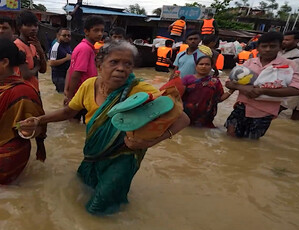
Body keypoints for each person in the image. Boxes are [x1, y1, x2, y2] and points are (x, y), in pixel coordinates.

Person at [18, 40, 190, 215]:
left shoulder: (141, 90)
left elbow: (182, 118)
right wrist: (39, 120)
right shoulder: (89, 85)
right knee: (83, 187)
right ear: (99, 65)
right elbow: (68, 112)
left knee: (99, 207)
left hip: (124, 156)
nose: (122, 68)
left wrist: (150, 143)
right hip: (94, 152)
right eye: (114, 62)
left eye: (128, 64)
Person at [0, 38, 46, 187]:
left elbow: (39, 123)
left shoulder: (22, 91)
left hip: (7, 154)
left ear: (4, 62)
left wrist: (31, 131)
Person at [225, 32, 299, 140]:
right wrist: (244, 88)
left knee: (250, 142)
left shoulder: (289, 65)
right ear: (258, 48)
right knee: (230, 136)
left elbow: (297, 89)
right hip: (241, 107)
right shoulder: (250, 63)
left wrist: (263, 91)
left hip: (264, 113)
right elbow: (229, 83)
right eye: (264, 46)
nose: (267, 49)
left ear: (280, 47)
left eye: (272, 46)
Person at [64, 16, 104, 123]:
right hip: (81, 95)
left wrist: (67, 91)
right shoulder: (85, 49)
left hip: (81, 94)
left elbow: (69, 70)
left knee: (75, 125)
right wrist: (70, 96)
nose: (100, 34)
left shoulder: (85, 47)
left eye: (102, 30)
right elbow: (76, 74)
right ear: (86, 31)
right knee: (80, 124)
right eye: (96, 30)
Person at [182, 55, 233, 128]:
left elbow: (219, 98)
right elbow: (178, 95)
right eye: (201, 64)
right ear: (196, 66)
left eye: (207, 64)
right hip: (186, 116)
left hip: (206, 119)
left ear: (211, 67)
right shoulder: (187, 79)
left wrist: (232, 90)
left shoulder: (215, 81)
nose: (204, 66)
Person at [14, 10, 47, 92]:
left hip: (33, 89)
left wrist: (40, 51)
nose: (33, 29)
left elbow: (43, 70)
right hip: (21, 92)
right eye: (29, 25)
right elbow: (26, 75)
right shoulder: (17, 46)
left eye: (35, 26)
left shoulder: (33, 45)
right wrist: (37, 66)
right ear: (19, 28)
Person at [49, 28, 72, 93]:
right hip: (59, 77)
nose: (67, 37)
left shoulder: (67, 46)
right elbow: (51, 63)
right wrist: (66, 59)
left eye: (69, 36)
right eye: (64, 35)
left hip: (66, 75)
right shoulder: (55, 47)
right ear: (58, 36)